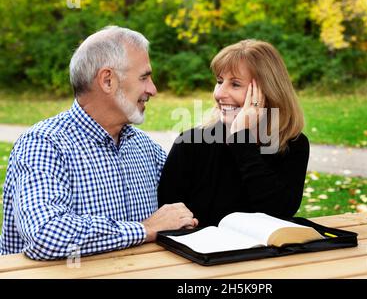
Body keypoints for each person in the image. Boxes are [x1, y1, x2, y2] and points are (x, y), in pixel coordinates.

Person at [0, 26, 198, 260]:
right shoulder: (44, 144)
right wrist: (144, 229)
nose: (153, 89)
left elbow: (188, 204)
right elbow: (45, 235)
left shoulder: (144, 147)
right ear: (107, 81)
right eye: (144, 77)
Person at [158, 39, 309, 226]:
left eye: (235, 84)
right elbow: (167, 215)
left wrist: (241, 141)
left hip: (265, 253)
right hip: (201, 252)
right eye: (219, 82)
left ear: (267, 92)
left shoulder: (293, 144)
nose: (219, 94)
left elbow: (279, 211)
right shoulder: (191, 143)